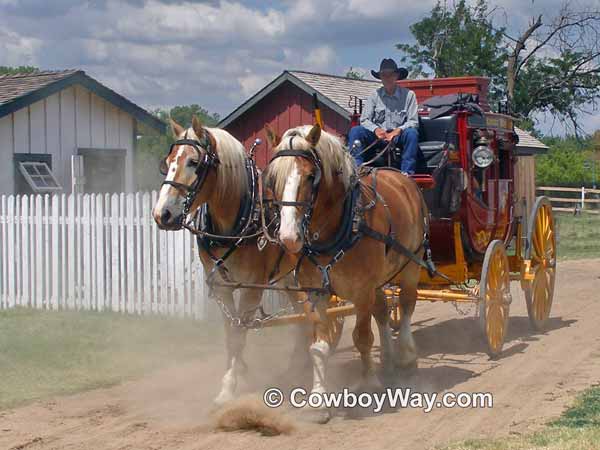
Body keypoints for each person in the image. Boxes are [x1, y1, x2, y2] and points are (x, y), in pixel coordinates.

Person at [348, 58, 420, 174]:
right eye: (384, 75)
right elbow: (364, 119)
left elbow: (413, 121)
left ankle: (406, 173)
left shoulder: (409, 95)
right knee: (356, 131)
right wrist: (376, 130)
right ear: (380, 77)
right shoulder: (374, 95)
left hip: (398, 136)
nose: (387, 78)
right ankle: (356, 169)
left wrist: (397, 131)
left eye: (390, 74)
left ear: (396, 76)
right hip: (378, 136)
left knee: (412, 133)